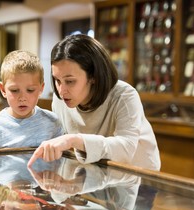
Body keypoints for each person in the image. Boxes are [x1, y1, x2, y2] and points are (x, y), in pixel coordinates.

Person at [27, 34, 160, 171]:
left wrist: (73, 140)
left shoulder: (124, 96)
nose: (61, 90)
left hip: (139, 176)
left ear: (93, 76)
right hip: (98, 174)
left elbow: (125, 149)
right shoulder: (59, 100)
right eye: (57, 80)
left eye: (70, 81)